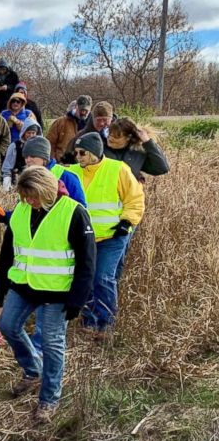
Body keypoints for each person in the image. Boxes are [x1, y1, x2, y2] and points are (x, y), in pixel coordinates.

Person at [0, 167, 96, 423]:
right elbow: (9, 249)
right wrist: (1, 283)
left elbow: (87, 261)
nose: (29, 201)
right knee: (7, 325)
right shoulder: (21, 210)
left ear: (47, 190)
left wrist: (77, 299)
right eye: (25, 196)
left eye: (33, 196)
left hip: (58, 290)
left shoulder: (74, 212)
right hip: (24, 285)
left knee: (52, 343)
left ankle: (49, 399)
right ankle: (33, 370)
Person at [66, 133, 144, 337]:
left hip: (113, 236)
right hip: (85, 238)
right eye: (76, 153)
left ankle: (106, 322)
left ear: (94, 153)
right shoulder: (71, 172)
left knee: (102, 277)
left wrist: (127, 222)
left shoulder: (118, 169)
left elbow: (135, 199)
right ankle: (89, 322)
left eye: (82, 153)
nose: (78, 157)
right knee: (86, 277)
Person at [105, 117, 170, 182]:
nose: (110, 138)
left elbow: (162, 168)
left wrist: (147, 142)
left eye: (116, 136)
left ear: (128, 137)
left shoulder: (137, 154)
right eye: (110, 134)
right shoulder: (101, 149)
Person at [48, 96, 92, 163]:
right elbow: (49, 143)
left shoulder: (92, 125)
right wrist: (54, 162)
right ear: (76, 107)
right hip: (62, 164)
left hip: (83, 165)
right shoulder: (61, 122)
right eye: (81, 110)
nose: (83, 112)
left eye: (86, 111)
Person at [1, 122, 42, 189]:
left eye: (33, 133)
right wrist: (6, 182)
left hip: (35, 181)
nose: (31, 135)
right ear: (24, 133)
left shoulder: (40, 147)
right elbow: (7, 166)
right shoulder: (15, 146)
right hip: (17, 181)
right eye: (28, 133)